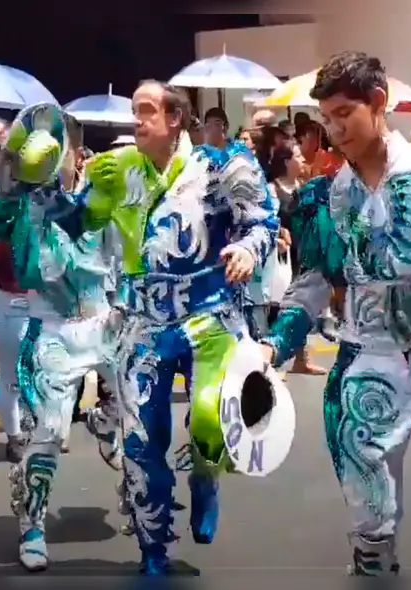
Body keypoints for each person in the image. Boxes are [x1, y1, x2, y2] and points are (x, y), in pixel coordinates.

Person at [260, 51, 411, 577]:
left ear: (378, 102)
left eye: (344, 112)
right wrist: (271, 346)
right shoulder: (324, 197)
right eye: (326, 117)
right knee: (373, 529)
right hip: (366, 366)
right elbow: (311, 286)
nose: (334, 129)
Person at [77, 80, 277, 575]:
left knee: (209, 419)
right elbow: (77, 220)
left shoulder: (222, 166)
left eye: (146, 111)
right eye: (134, 111)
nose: (136, 121)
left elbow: (263, 222)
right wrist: (38, 188)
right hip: (143, 321)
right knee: (141, 442)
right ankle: (152, 550)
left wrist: (248, 249)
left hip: (209, 315)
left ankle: (206, 474)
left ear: (174, 119)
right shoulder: (118, 170)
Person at [0, 104, 121, 572]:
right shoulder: (19, 204)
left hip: (105, 321)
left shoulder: (99, 199)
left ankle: (112, 433)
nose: (58, 158)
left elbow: (128, 258)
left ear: (76, 154)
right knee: (46, 434)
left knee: (139, 415)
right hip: (50, 327)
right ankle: (32, 524)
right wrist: (8, 173)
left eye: (65, 148)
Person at [265, 144, 325, 375]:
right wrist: (277, 238)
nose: (302, 160)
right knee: (278, 306)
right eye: (297, 156)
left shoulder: (303, 187)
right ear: (286, 161)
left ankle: (302, 358)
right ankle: (271, 361)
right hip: (282, 254)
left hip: (303, 252)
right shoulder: (272, 189)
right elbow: (269, 219)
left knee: (302, 304)